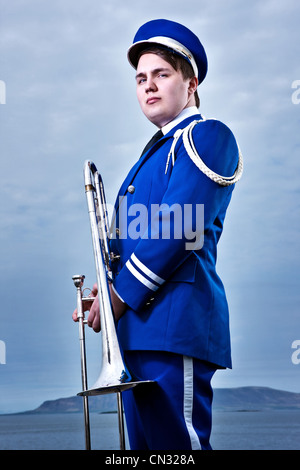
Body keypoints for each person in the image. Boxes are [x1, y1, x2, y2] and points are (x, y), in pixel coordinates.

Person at [73, 19, 242, 450]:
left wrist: (120, 295)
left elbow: (179, 229)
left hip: (175, 323)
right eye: (141, 78)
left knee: (177, 450)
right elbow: (130, 242)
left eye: (162, 74)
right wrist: (103, 294)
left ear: (191, 82)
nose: (148, 85)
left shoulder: (207, 136)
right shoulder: (149, 158)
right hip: (137, 331)